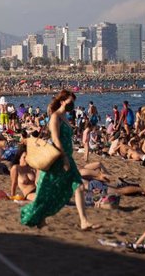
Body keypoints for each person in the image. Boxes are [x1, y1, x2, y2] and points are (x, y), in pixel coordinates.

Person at [20, 90, 98, 230]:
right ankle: (36, 216)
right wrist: (64, 158)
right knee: (48, 190)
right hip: (59, 158)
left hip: (67, 157)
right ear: (62, 102)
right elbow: (55, 139)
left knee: (78, 186)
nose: (72, 104)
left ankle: (83, 221)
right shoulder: (55, 117)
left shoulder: (65, 117)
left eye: (73, 102)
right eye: (70, 102)